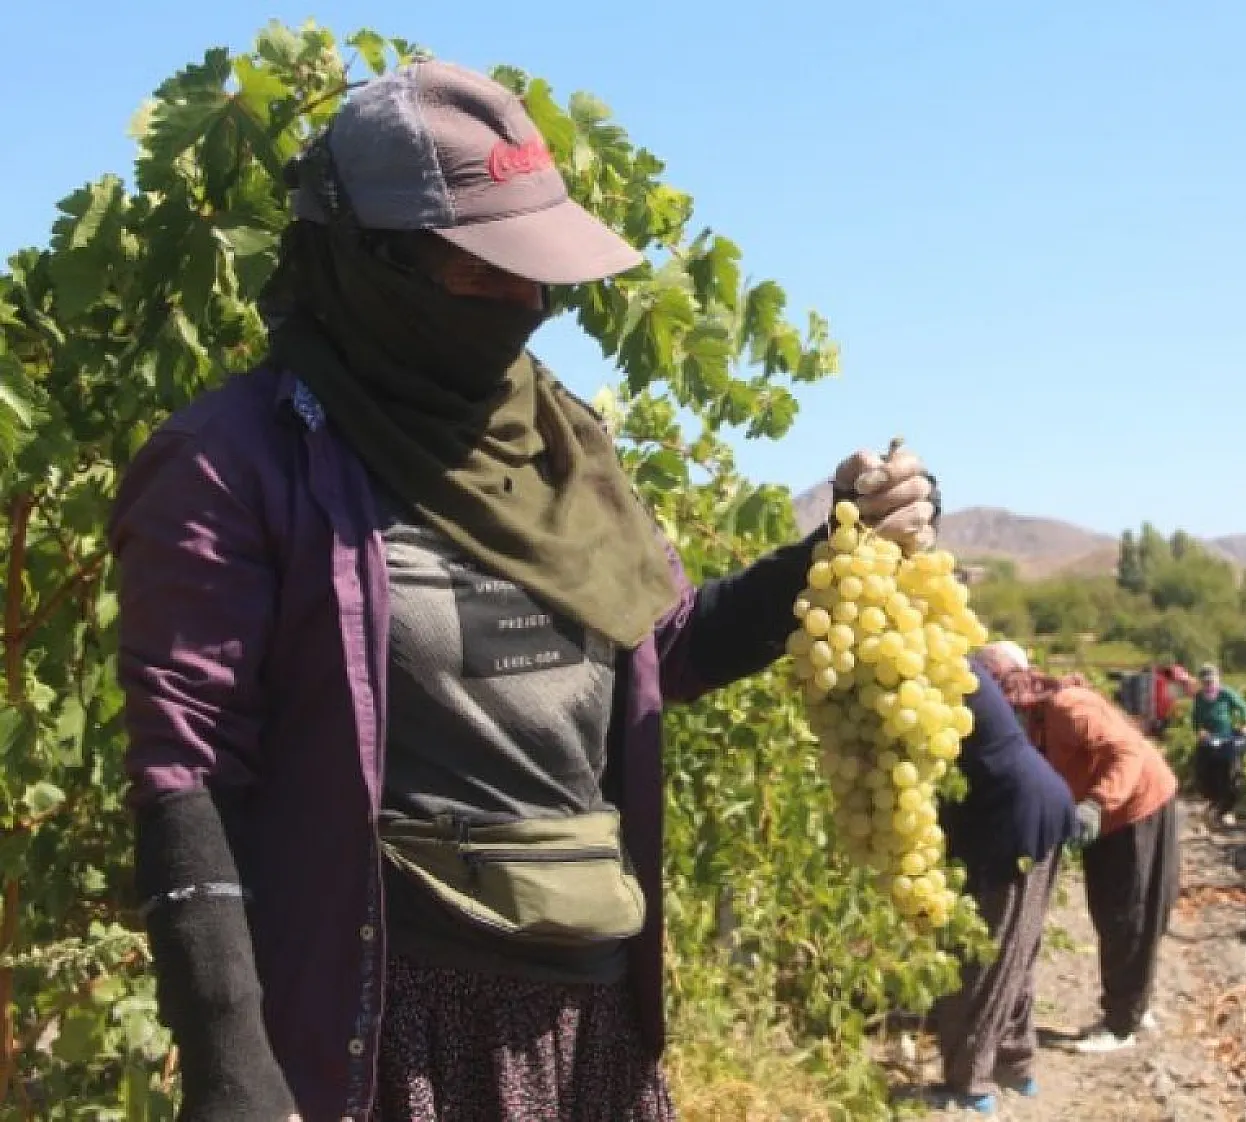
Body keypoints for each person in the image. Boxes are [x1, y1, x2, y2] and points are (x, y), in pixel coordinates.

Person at [110, 60, 940, 1122]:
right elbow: (190, 773)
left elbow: (664, 646)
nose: (528, 303)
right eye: (480, 270)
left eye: (534, 270)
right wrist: (230, 1059)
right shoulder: (237, 464)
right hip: (391, 1036)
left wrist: (834, 546)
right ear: (370, 261)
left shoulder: (557, 443)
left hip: (589, 1021)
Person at [976, 643, 1180, 1056]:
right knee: (1119, 910)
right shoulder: (1035, 717)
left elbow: (1127, 751)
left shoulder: (1067, 707)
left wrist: (1096, 805)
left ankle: (1122, 1022)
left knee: (1127, 910)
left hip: (1133, 808)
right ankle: (1135, 1006)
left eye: (993, 684)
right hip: (1113, 812)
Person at [926, 657, 1079, 1114]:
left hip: (1014, 816)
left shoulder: (933, 670)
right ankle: (1015, 1063)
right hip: (1033, 803)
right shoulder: (951, 661)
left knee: (985, 954)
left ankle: (968, 1082)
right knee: (1016, 945)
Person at [1190, 663, 1246, 826]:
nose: (1209, 684)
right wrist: (1199, 730)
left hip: (1226, 739)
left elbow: (1244, 707)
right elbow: (1195, 718)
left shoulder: (1225, 694)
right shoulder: (1199, 697)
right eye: (1205, 681)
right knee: (1205, 772)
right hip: (1209, 740)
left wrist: (1245, 724)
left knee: (1230, 774)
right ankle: (1212, 802)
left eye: (1211, 681)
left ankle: (1228, 809)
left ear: (1217, 680)